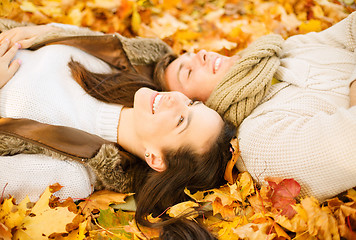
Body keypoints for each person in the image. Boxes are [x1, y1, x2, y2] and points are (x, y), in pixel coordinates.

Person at [0, 23, 237, 239]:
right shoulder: (126, 69)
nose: (175, 100)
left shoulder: (74, 174)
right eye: (192, 103)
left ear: (155, 158)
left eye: (181, 121)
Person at [156, 11, 356, 202]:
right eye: (188, 72)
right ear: (198, 106)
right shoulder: (258, 142)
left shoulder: (274, 54)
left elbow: (350, 30)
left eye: (192, 54)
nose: (201, 55)